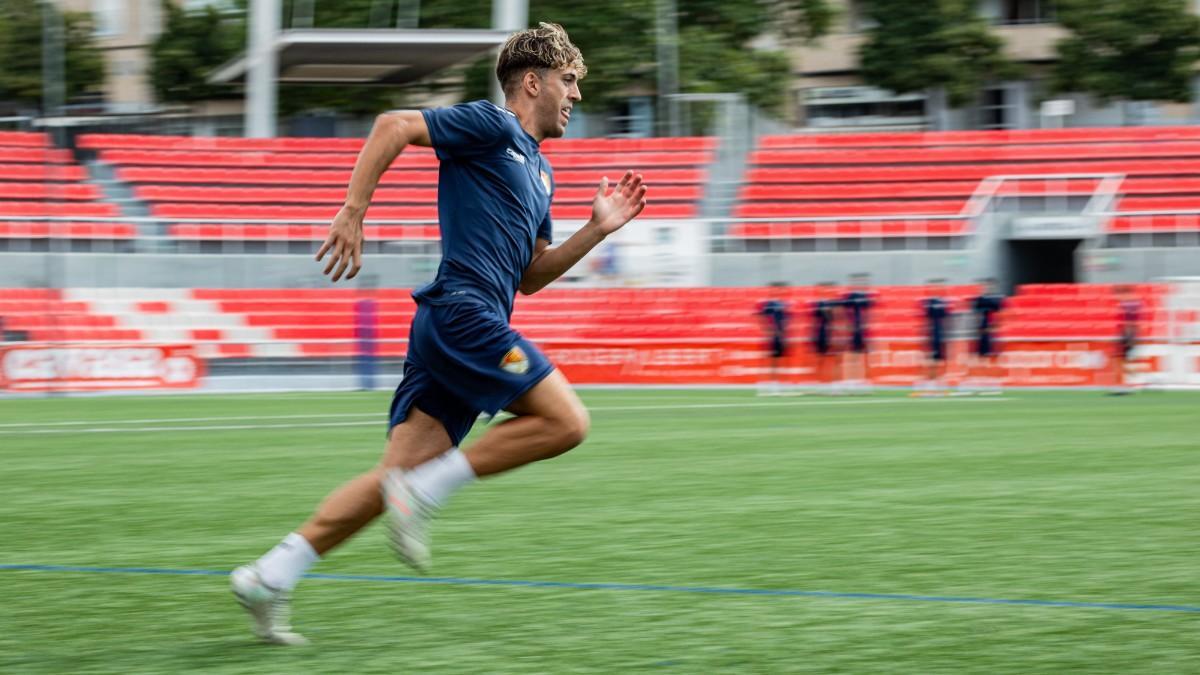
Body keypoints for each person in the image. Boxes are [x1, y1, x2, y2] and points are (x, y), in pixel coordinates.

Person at [230, 23, 648, 646]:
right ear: (531, 82)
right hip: (463, 312)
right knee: (567, 423)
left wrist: (597, 230)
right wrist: (352, 212)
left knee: (390, 478)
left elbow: (531, 276)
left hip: (456, 323)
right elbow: (392, 126)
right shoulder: (493, 125)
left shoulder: (541, 173)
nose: (576, 97)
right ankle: (427, 491)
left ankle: (270, 575)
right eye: (568, 82)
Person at [966, 278, 1005, 394]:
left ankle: (994, 382)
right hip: (980, 333)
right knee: (979, 358)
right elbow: (974, 315)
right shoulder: (978, 300)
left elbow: (1001, 315)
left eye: (989, 286)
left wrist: (994, 327)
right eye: (984, 286)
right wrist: (976, 328)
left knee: (992, 358)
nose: (986, 288)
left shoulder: (996, 300)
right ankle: (981, 381)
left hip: (991, 333)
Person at [916, 279, 951, 396]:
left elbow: (947, 319)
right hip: (931, 334)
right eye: (934, 286)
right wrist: (925, 335)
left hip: (941, 334)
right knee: (930, 360)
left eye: (939, 286)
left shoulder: (945, 303)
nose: (937, 288)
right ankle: (929, 383)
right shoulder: (927, 302)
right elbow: (924, 319)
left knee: (938, 360)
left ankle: (936, 383)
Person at [840, 273, 873, 393]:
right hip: (853, 331)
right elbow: (843, 313)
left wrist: (867, 326)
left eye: (862, 281)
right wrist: (848, 326)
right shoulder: (849, 297)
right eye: (857, 281)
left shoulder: (867, 297)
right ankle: (851, 381)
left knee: (865, 357)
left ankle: (863, 381)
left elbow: (870, 314)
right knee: (852, 357)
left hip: (864, 331)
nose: (860, 283)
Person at [757, 282, 790, 396]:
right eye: (778, 289)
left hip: (782, 336)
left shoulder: (785, 304)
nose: (781, 291)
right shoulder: (769, 304)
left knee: (779, 361)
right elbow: (761, 316)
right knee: (771, 360)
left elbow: (786, 320)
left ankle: (778, 384)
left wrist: (785, 333)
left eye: (782, 289)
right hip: (773, 337)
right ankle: (769, 385)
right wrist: (768, 330)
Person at [1111, 285, 1141, 395]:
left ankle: (1126, 385)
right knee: (1122, 360)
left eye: (1117, 295)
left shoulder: (1128, 305)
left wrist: (1129, 338)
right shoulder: (1134, 304)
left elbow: (1130, 323)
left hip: (1127, 335)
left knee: (1120, 360)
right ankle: (1127, 384)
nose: (1116, 298)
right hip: (1128, 335)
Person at [811, 283, 840, 392]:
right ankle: (820, 384)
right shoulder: (818, 304)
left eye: (829, 289)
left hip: (832, 334)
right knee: (821, 360)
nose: (826, 291)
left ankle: (834, 385)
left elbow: (836, 318)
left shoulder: (835, 303)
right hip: (821, 335)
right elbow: (815, 320)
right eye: (823, 289)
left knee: (834, 360)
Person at [352, 278, 380, 391]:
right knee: (365, 362)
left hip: (368, 338)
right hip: (365, 338)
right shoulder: (363, 304)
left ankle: (368, 384)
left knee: (367, 362)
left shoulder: (368, 304)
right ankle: (366, 384)